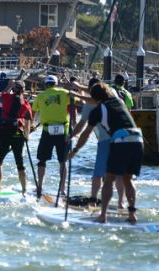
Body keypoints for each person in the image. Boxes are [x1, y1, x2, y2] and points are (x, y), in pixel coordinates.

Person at [68, 82, 143, 223]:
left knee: (108, 180)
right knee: (128, 178)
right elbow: (94, 98)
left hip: (121, 140)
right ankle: (132, 214)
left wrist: (75, 150)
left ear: (94, 98)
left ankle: (103, 216)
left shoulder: (97, 111)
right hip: (138, 138)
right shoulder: (118, 100)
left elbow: (85, 134)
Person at [70, 78, 125, 208]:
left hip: (105, 140)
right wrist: (78, 86)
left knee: (98, 173)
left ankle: (93, 200)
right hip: (121, 138)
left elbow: (81, 125)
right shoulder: (112, 93)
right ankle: (121, 203)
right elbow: (93, 90)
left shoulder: (89, 105)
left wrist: (70, 136)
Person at [31, 75, 76, 196]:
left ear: (46, 85)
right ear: (56, 84)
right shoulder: (65, 93)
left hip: (47, 131)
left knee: (42, 160)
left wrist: (31, 125)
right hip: (63, 131)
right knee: (62, 161)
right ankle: (62, 190)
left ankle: (39, 186)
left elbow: (33, 111)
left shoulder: (40, 96)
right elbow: (75, 104)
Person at [0, 80, 32, 196]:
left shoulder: (7, 97)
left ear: (13, 89)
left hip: (4, 132)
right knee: (19, 164)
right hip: (17, 133)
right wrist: (27, 135)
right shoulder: (25, 103)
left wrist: (9, 86)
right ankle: (24, 191)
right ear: (23, 91)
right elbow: (27, 122)